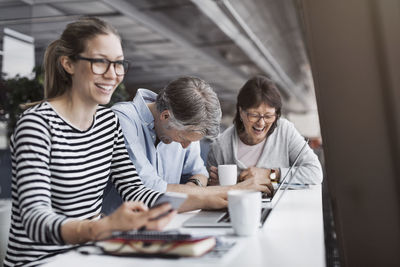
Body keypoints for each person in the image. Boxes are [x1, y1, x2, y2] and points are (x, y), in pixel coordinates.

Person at [4, 17, 175, 267]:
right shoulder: (37, 124)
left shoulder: (108, 122)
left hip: (86, 258)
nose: (112, 74)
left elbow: (135, 190)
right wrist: (100, 228)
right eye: (99, 62)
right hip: (41, 263)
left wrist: (215, 198)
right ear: (68, 64)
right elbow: (34, 220)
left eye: (118, 64)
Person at [111, 76, 270, 211]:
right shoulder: (122, 120)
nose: (186, 146)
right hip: (119, 232)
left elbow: (200, 173)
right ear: (166, 116)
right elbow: (149, 189)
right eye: (183, 139)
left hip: (167, 221)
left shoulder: (186, 124)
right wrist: (233, 190)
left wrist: (194, 187)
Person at [207, 75, 323, 190]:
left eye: (268, 116)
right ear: (241, 111)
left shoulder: (284, 131)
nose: (261, 123)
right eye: (254, 115)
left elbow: (315, 172)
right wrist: (215, 186)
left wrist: (270, 174)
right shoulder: (220, 147)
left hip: (282, 208)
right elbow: (209, 190)